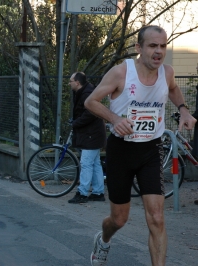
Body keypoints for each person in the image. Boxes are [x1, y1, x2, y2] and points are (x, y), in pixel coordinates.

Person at [84, 25, 197, 266]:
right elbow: (90, 101)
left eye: (163, 46)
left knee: (157, 217)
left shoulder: (167, 73)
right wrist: (115, 119)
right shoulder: (121, 73)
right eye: (153, 46)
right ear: (139, 48)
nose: (159, 52)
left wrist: (183, 110)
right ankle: (103, 240)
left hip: (151, 150)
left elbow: (174, 89)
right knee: (119, 219)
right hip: (121, 151)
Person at [68, 72, 107, 204]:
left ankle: (82, 193)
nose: (69, 83)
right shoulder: (86, 92)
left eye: (71, 81)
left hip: (92, 135)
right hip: (92, 134)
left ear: (77, 82)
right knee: (95, 164)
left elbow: (90, 114)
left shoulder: (87, 94)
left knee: (86, 164)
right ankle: (98, 192)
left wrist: (75, 123)